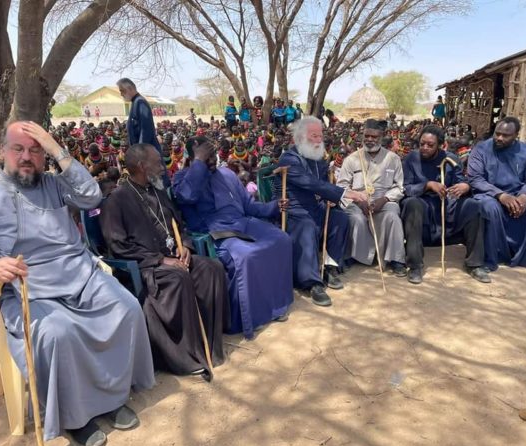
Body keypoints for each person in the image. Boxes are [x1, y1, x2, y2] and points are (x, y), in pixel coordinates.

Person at [0, 121, 154, 446]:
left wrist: (56, 147)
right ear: (1, 151)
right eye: (18, 149)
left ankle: (112, 398)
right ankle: (76, 417)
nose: (27, 157)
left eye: (36, 150)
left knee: (127, 308)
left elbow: (92, 196)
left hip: (80, 275)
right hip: (27, 288)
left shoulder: (56, 184)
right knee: (58, 333)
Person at [100, 144, 228, 378]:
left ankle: (209, 344)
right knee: (178, 277)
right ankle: (185, 356)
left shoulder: (158, 193)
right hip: (148, 266)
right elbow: (118, 246)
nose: (163, 167)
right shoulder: (116, 200)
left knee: (212, 268)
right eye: (158, 163)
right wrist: (160, 260)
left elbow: (179, 225)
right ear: (142, 166)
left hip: (174, 256)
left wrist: (185, 246)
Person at [173, 136, 293, 339]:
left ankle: (274, 306)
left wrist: (273, 206)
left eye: (212, 154)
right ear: (193, 158)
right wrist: (199, 163)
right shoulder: (183, 178)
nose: (212, 159)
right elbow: (187, 196)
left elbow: (249, 206)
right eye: (205, 157)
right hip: (216, 232)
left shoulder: (227, 173)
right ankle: (249, 317)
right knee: (247, 255)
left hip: (243, 222)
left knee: (282, 239)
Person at [277, 117, 368, 306]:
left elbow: (324, 184)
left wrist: (330, 199)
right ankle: (311, 283)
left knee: (340, 218)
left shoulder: (318, 158)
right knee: (307, 227)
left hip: (316, 208)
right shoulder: (289, 159)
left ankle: (330, 267)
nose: (319, 140)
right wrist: (344, 193)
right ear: (300, 138)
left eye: (320, 135)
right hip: (295, 212)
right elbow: (311, 183)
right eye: (314, 136)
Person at [468, 117, 526, 274]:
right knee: (488, 207)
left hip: (518, 195)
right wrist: (501, 195)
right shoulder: (481, 149)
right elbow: (475, 179)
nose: (499, 138)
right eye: (497, 133)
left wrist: (525, 196)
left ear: (516, 135)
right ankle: (489, 258)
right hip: (490, 194)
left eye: (506, 135)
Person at [402, 125, 490, 284]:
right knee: (412, 205)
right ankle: (415, 265)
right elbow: (406, 188)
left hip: (446, 204)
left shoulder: (451, 159)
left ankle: (474, 263)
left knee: (473, 206)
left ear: (440, 145)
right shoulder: (411, 159)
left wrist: (465, 186)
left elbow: (461, 181)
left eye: (430, 145)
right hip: (421, 202)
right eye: (422, 144)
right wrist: (428, 185)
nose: (425, 148)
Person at [336, 119, 407, 276]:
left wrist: (384, 200)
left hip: (384, 200)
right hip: (356, 201)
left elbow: (399, 187)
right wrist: (357, 199)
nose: (369, 139)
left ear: (381, 137)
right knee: (356, 218)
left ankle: (395, 259)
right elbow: (341, 187)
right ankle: (356, 256)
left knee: (392, 217)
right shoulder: (351, 159)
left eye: (374, 137)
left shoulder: (393, 159)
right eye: (367, 136)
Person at [117, 78, 161, 153]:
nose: (121, 94)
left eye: (122, 91)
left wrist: (140, 152)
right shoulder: (135, 102)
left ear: (130, 88)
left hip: (146, 153)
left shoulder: (140, 102)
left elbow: (146, 130)